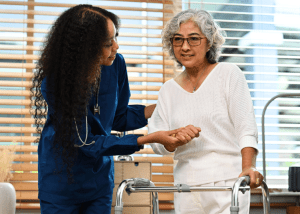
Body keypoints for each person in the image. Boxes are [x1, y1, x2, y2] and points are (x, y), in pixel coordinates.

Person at [30, 4, 201, 214]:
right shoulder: (56, 82)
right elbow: (85, 142)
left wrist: (163, 106)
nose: (116, 47)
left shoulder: (115, 64)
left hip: (99, 181)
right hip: (61, 185)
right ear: (85, 48)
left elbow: (119, 117)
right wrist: (149, 138)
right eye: (108, 43)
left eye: (115, 38)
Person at [149, 9, 264, 214]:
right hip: (185, 187)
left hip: (227, 184)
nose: (185, 47)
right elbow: (157, 140)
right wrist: (171, 140)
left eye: (193, 39)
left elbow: (246, 127)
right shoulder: (168, 90)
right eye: (178, 40)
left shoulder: (228, 75)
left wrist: (249, 167)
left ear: (209, 42)